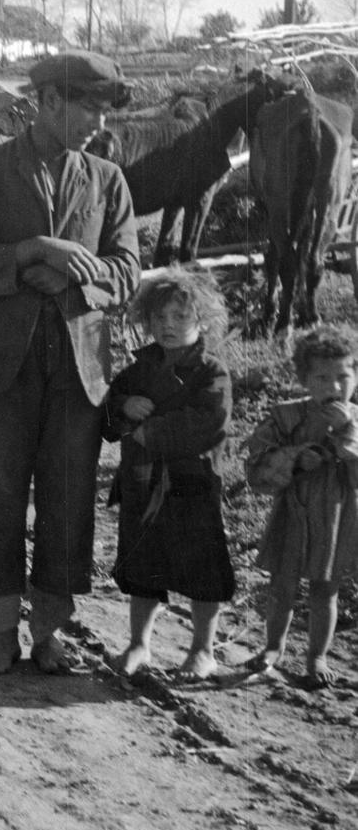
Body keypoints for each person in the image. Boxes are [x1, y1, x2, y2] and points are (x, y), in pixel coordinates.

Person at [0, 50, 139, 675]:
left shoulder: (109, 180)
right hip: (2, 363)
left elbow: (127, 270)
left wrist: (70, 281)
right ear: (51, 101)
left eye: (103, 110)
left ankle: (49, 633)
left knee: (68, 498)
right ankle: (3, 633)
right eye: (89, 106)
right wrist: (36, 248)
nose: (97, 121)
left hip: (79, 367)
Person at [103, 268, 235, 680]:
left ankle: (203, 649)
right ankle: (139, 644)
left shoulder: (212, 372)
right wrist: (123, 407)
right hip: (142, 483)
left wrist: (148, 430)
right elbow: (106, 410)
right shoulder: (139, 368)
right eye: (160, 318)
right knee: (143, 565)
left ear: (203, 319)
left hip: (191, 484)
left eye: (180, 317)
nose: (169, 326)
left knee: (203, 569)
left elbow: (208, 422)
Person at [233, 325, 358, 689]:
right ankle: (273, 647)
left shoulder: (356, 420)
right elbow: (255, 460)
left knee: (325, 589)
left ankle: (317, 656)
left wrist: (348, 431)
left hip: (338, 517)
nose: (334, 387)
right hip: (293, 511)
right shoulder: (287, 416)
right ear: (304, 379)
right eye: (322, 377)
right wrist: (294, 458)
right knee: (282, 584)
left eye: (343, 376)